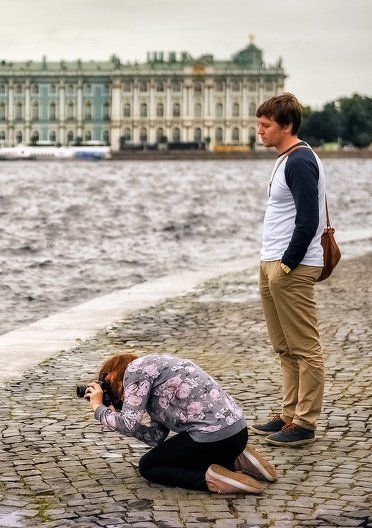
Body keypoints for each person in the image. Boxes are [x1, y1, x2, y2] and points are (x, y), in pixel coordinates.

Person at [84, 352, 277, 494]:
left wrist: (98, 407)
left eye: (105, 379)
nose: (105, 385)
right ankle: (236, 457)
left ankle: (213, 480)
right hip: (237, 433)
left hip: (212, 439)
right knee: (174, 451)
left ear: (116, 370)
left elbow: (128, 424)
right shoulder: (157, 375)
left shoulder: (135, 369)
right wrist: (117, 408)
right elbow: (155, 437)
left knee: (148, 466)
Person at [252, 93, 327, 446]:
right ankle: (289, 414)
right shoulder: (284, 160)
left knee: (304, 347)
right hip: (272, 263)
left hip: (290, 267)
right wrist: (270, 263)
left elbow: (309, 219)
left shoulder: (300, 161)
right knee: (284, 347)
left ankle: (305, 423)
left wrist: (287, 263)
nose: (260, 131)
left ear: (287, 125)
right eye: (259, 125)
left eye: (266, 126)